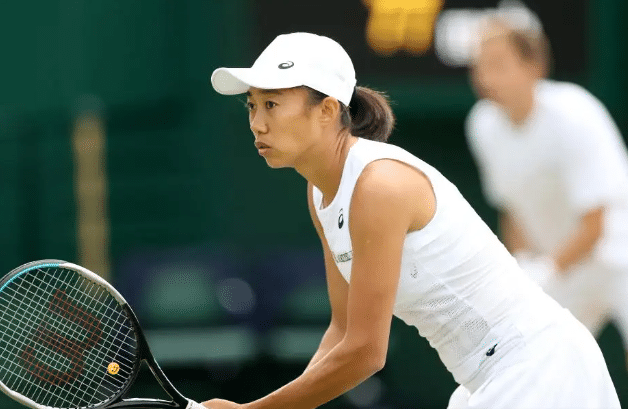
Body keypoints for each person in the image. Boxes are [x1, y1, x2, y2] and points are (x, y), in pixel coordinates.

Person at [205, 32, 620, 409]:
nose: (257, 123)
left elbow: (365, 353)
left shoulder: (378, 187)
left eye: (272, 104)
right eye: (252, 105)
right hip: (494, 378)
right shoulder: (320, 193)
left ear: (327, 110)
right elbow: (343, 330)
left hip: (540, 368)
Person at [466, 16, 628, 357]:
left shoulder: (574, 114)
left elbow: (596, 223)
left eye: (498, 64)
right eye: (479, 66)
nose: (485, 78)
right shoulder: (482, 125)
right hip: (566, 269)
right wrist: (524, 264)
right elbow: (512, 210)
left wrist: (546, 271)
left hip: (618, 256)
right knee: (535, 359)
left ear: (534, 66)